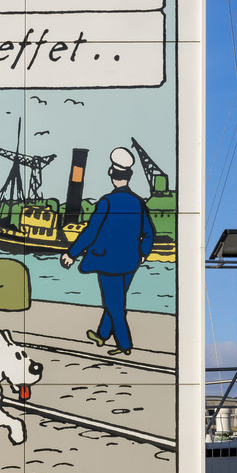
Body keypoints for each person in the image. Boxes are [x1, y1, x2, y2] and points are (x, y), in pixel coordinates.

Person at [61, 146, 155, 356]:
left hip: (108, 264)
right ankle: (102, 335)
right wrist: (142, 254)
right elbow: (149, 233)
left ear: (111, 173)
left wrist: (71, 253)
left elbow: (91, 232)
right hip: (131, 262)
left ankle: (125, 345)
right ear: (129, 176)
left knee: (114, 305)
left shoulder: (106, 202)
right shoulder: (138, 203)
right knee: (115, 300)